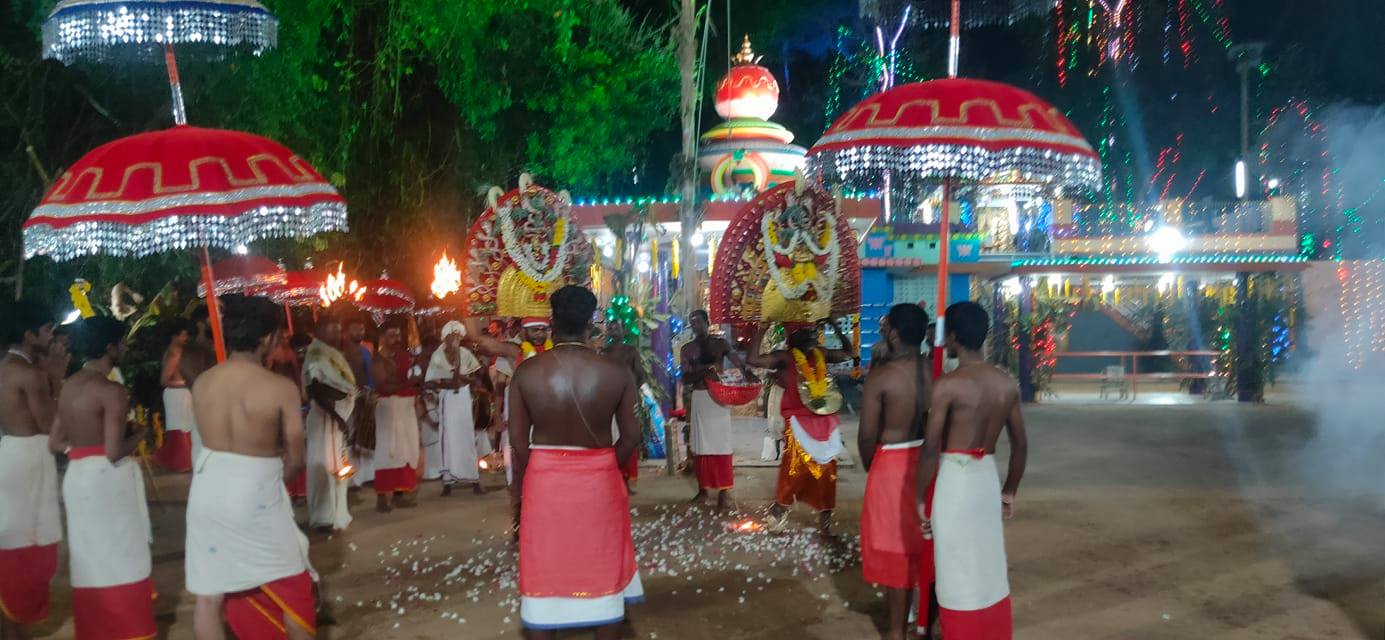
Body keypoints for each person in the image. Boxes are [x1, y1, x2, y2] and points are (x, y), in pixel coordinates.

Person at [507, 286, 642, 637]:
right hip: (600, 478)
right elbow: (631, 436)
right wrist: (603, 465)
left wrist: (545, 468)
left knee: (546, 563)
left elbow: (519, 441)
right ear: (590, 325)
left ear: (552, 323)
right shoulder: (616, 373)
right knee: (601, 562)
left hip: (544, 479)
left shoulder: (526, 373)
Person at [185, 295, 315, 639]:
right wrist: (269, 481)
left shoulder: (202, 383)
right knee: (293, 586)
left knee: (208, 598)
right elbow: (296, 457)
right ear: (266, 338)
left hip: (206, 494)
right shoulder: (280, 388)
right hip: (255, 494)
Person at [916, 302, 1028, 640]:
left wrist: (920, 499)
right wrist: (1009, 490)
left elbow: (932, 447)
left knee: (955, 568)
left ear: (952, 337)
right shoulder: (1006, 383)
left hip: (956, 480)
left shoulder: (949, 385)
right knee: (987, 565)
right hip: (986, 480)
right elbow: (1021, 445)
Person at [49, 317, 156, 640]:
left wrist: (77, 453)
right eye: (122, 342)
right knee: (121, 555)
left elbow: (55, 441)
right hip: (105, 480)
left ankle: (97, 629)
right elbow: (112, 452)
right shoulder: (112, 390)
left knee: (91, 558)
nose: (124, 347)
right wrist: (142, 434)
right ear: (110, 347)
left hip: (78, 476)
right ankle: (128, 628)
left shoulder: (70, 385)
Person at [859, 304, 935, 640]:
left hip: (890, 464)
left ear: (894, 332)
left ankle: (896, 630)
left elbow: (865, 436)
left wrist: (871, 467)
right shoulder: (935, 371)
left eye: (886, 326)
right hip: (928, 462)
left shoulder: (883, 376)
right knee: (925, 546)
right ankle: (926, 623)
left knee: (896, 552)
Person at [749, 319, 855, 537]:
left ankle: (825, 527)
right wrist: (762, 329)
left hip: (826, 422)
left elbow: (848, 352)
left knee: (827, 476)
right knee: (792, 472)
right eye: (805, 332)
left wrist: (835, 326)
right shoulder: (785, 358)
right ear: (792, 338)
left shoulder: (821, 353)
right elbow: (753, 360)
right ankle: (777, 517)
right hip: (797, 423)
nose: (812, 335)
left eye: (813, 331)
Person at [0, 302, 59, 640]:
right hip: (30, 458)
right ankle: (19, 626)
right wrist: (56, 379)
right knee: (30, 548)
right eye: (46, 330)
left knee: (10, 542)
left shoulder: (4, 367)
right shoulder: (30, 374)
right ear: (28, 335)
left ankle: (10, 625)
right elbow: (50, 426)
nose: (50, 337)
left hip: (8, 450)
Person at [679, 310, 754, 510]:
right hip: (700, 398)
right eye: (691, 323)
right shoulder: (687, 349)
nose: (695, 326)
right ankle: (703, 490)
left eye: (698, 322)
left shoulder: (720, 344)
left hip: (719, 399)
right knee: (700, 446)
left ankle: (723, 492)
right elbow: (685, 378)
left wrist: (748, 374)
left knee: (722, 445)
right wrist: (706, 371)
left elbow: (738, 363)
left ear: (707, 322)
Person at [302, 315, 357, 532]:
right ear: (321, 331)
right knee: (323, 467)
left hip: (336, 417)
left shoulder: (330, 352)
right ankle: (323, 517)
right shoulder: (316, 354)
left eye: (338, 330)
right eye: (332, 330)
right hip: (326, 416)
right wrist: (336, 417)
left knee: (337, 466)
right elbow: (315, 389)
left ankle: (336, 514)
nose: (337, 334)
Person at [426, 321, 485, 496]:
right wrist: (444, 381)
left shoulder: (465, 354)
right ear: (445, 338)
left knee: (467, 439)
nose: (455, 340)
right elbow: (430, 380)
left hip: (463, 399)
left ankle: (474, 480)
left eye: (458, 336)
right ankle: (447, 483)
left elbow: (475, 379)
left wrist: (462, 377)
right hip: (448, 399)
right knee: (448, 440)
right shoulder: (437, 357)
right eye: (451, 337)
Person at [371, 317, 422, 512]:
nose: (396, 339)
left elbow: (413, 379)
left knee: (406, 451)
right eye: (391, 335)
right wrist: (410, 383)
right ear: (382, 338)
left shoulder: (404, 356)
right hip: (388, 409)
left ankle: (401, 494)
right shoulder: (378, 360)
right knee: (387, 451)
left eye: (398, 335)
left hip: (406, 408)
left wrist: (416, 373)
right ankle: (382, 497)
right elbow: (383, 386)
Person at [601, 319, 647, 493]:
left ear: (623, 330)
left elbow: (640, 376)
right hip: (608, 401)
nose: (613, 330)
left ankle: (626, 480)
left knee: (628, 437)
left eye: (616, 327)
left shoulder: (631, 351)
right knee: (612, 438)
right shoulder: (603, 353)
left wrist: (630, 391)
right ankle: (614, 479)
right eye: (610, 327)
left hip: (628, 400)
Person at [156, 319, 196, 472]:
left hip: (182, 394)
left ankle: (184, 460)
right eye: (183, 336)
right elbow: (164, 380)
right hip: (175, 395)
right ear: (175, 337)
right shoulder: (173, 353)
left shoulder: (180, 352)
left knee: (186, 427)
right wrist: (186, 384)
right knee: (179, 428)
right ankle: (178, 461)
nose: (186, 339)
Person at [179, 307, 217, 466]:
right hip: (206, 416)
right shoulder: (190, 353)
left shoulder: (217, 349)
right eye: (214, 315)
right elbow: (197, 383)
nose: (219, 318)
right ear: (201, 325)